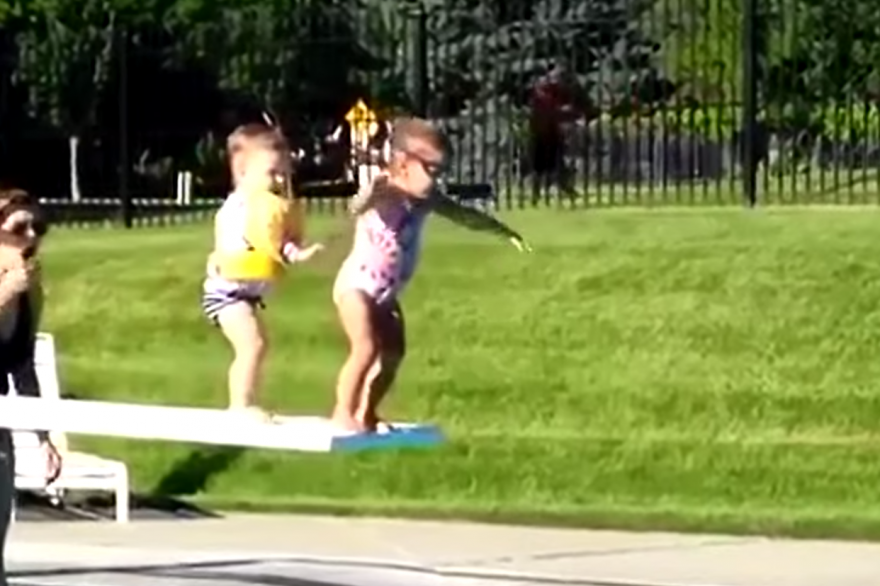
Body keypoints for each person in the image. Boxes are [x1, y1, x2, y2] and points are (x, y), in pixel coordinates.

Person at [331, 117, 532, 433]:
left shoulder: (428, 200)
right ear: (403, 164)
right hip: (357, 287)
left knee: (394, 353)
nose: (437, 180)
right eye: (433, 171)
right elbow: (355, 207)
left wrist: (503, 231)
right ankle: (343, 412)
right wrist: (370, 190)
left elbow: (465, 215)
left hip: (386, 295)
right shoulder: (385, 191)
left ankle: (366, 412)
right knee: (366, 347)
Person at [202, 123, 324, 422]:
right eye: (272, 172)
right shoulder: (238, 208)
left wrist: (299, 253)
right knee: (252, 344)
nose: (281, 179)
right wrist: (216, 258)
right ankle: (239, 407)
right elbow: (227, 241)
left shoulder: (268, 211)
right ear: (243, 173)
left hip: (247, 295)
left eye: (284, 172)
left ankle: (245, 403)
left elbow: (277, 245)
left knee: (257, 345)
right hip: (226, 295)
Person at [0, 188, 62, 586]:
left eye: (37, 228)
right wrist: (5, 293)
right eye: (19, 228)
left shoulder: (30, 293)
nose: (31, 238)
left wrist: (43, 436)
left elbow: (22, 364)